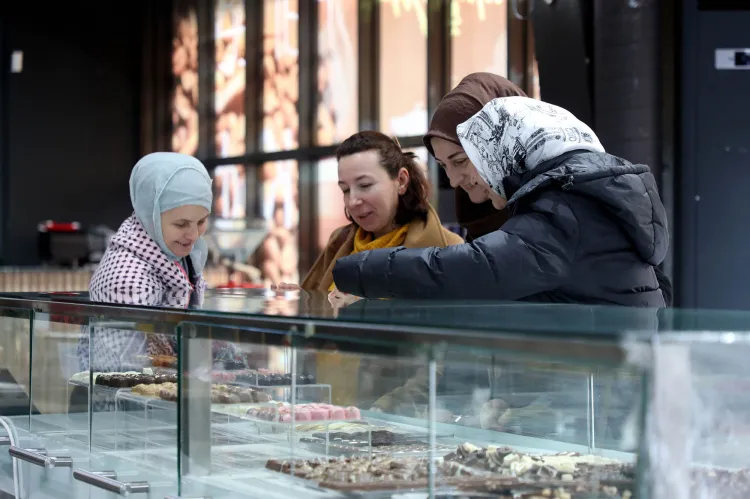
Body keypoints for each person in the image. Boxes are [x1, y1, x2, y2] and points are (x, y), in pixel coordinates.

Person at [332, 96, 669, 308]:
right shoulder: (578, 200)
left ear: (509, 153)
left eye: (476, 158)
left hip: (606, 399)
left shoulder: (566, 210)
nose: (461, 179)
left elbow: (470, 270)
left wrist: (356, 268)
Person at [426, 72, 673, 305]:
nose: (454, 179)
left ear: (502, 141)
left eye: (460, 160)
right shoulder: (485, 215)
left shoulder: (563, 208)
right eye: (442, 165)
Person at [300, 130, 464, 292]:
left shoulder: (448, 249)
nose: (352, 201)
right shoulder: (339, 241)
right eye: (345, 190)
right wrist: (301, 299)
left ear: (401, 181)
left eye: (365, 185)